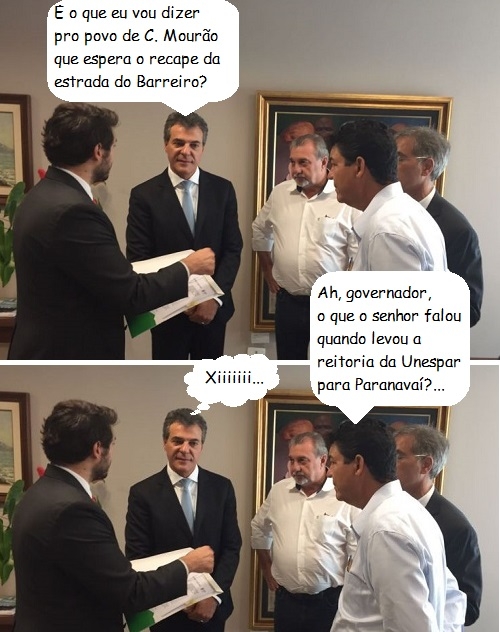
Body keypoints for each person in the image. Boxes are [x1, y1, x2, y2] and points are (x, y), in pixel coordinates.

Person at [8, 103, 214, 360]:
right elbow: (131, 295)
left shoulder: (39, 195)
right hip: (70, 355)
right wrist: (188, 267)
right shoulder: (74, 211)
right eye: (113, 146)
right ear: (98, 151)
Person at [11, 400, 214, 632]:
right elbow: (131, 592)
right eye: (113, 443)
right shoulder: (74, 510)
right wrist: (187, 564)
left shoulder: (37, 493)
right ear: (98, 449)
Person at [327, 417, 465, 632]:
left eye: (333, 462)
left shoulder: (386, 530)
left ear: (358, 465)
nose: (329, 472)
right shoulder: (410, 511)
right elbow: (452, 600)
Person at [126, 112, 243, 360]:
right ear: (166, 145)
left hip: (213, 312)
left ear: (202, 149)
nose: (185, 151)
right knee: (166, 379)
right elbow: (139, 257)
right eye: (178, 143)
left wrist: (214, 299)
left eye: (194, 145)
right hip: (167, 315)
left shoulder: (223, 190)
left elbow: (233, 248)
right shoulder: (143, 195)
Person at [125, 408, 242, 631]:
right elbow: (138, 555)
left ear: (201, 446)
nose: (185, 449)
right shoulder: (142, 494)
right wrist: (178, 599)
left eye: (193, 443)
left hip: (212, 611)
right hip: (166, 612)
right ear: (165, 443)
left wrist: (213, 596)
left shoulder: (222, 488)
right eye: (177, 441)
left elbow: (231, 547)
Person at [252, 134, 360, 359]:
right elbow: (260, 229)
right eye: (292, 162)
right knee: (288, 365)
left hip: (332, 304)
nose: (296, 170)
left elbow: (358, 253)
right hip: (288, 302)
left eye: (303, 163)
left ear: (324, 162)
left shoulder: (343, 198)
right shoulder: (280, 193)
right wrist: (267, 269)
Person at [251, 432, 359, 632]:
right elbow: (258, 527)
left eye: (302, 460)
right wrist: (266, 567)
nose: (295, 468)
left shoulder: (343, 496)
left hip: (329, 603)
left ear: (323, 460)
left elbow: (356, 552)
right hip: (287, 602)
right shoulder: (279, 491)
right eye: (291, 460)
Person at [328, 119, 447, 270]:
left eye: (334, 164)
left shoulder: (387, 231)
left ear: (359, 167)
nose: (330, 175)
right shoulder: (406, 212)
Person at [394, 424, 482, 625]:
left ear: (426, 465)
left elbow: (469, 608)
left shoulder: (456, 528)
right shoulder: (386, 511)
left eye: (398, 457)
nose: (390, 464)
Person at [395, 126, 483, 325]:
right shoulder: (386, 213)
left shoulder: (457, 230)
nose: (391, 166)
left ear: (426, 167)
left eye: (399, 159)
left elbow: (469, 310)